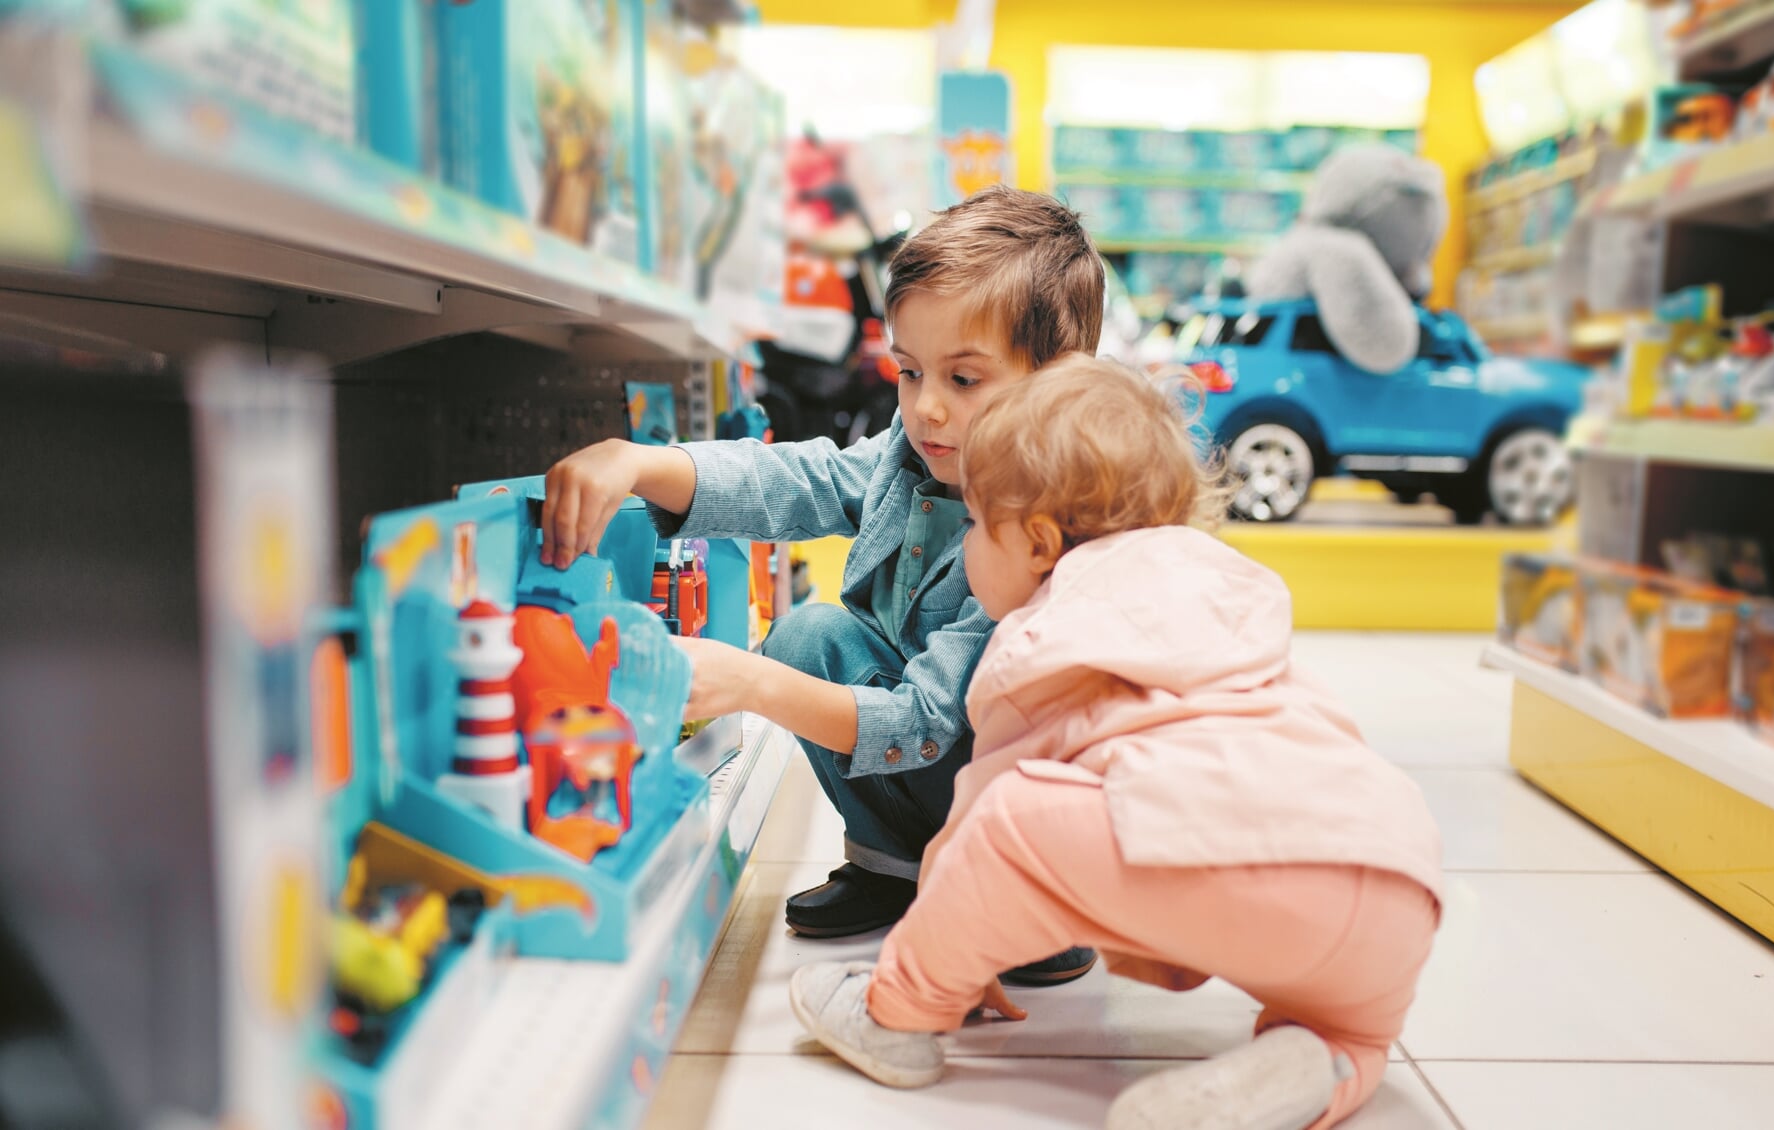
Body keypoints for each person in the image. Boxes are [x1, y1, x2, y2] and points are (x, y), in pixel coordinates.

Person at [788, 356, 1446, 1130]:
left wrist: (950, 952)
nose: (966, 547)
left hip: (1237, 870)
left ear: (1037, 543)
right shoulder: (1218, 581)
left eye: (973, 525)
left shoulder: (1042, 627)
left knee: (1013, 819)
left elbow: (985, 822)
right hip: (1397, 882)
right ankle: (1330, 1057)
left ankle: (896, 1018)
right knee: (1354, 1025)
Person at [540, 186, 1106, 984]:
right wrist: (640, 462)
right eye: (909, 373)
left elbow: (929, 721)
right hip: (943, 755)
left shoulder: (1042, 536)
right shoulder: (912, 461)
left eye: (965, 380)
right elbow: (798, 478)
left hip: (1019, 784)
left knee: (799, 664)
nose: (927, 409)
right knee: (811, 635)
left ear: (1058, 381)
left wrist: (753, 685)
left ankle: (1030, 906)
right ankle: (892, 866)